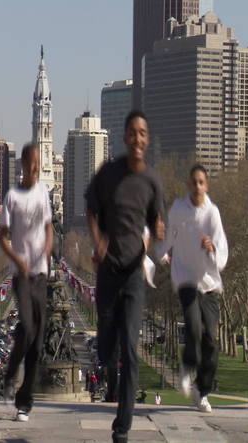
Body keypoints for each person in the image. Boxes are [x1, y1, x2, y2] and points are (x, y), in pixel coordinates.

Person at [85, 110, 165, 443]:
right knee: (106, 347)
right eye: (132, 132)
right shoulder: (108, 174)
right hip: (108, 272)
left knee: (130, 350)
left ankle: (122, 427)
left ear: (147, 139)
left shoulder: (153, 182)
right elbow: (90, 209)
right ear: (125, 138)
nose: (137, 138)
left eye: (142, 133)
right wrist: (98, 240)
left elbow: (157, 224)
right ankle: (107, 352)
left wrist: (156, 234)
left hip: (133, 274)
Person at [156, 164, 228, 413]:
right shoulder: (178, 209)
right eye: (193, 182)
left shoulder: (212, 214)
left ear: (206, 186)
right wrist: (161, 252)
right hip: (185, 278)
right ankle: (187, 366)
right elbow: (167, 238)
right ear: (189, 185)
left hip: (209, 282)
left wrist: (212, 249)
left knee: (211, 340)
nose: (197, 187)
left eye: (201, 182)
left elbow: (222, 250)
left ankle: (202, 389)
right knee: (194, 327)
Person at [0, 143, 53, 422]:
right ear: (22, 164)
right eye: (31, 163)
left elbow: (48, 228)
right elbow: (3, 237)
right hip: (21, 274)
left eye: (38, 164)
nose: (35, 168)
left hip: (41, 273)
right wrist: (16, 258)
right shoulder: (12, 197)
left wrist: (47, 250)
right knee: (28, 327)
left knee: (37, 340)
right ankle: (10, 373)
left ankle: (24, 402)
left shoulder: (43, 193)